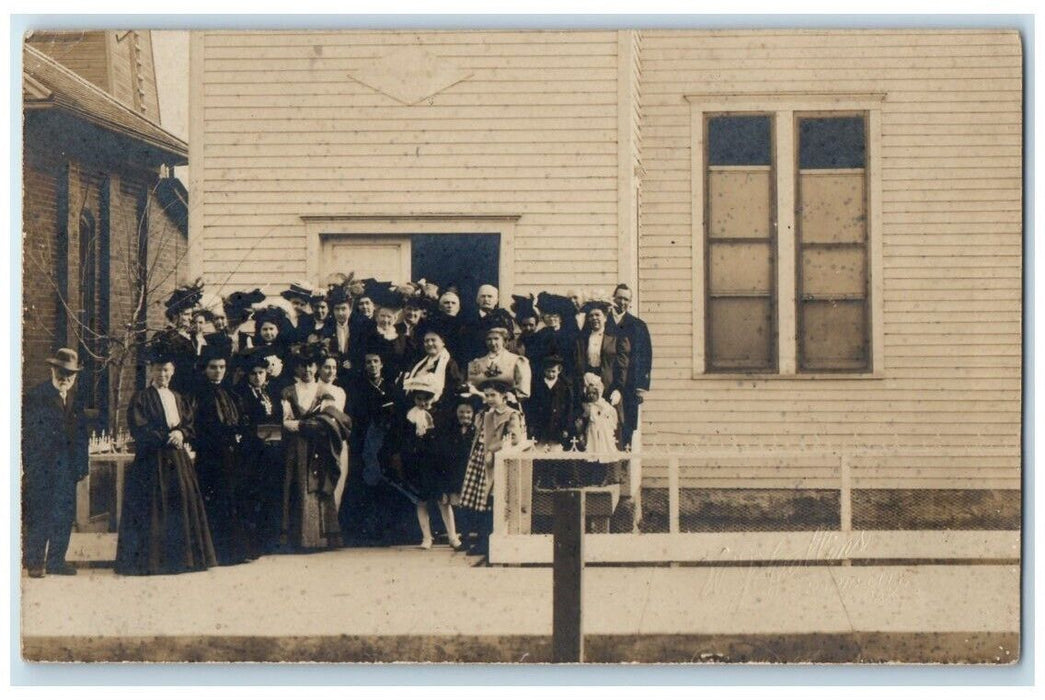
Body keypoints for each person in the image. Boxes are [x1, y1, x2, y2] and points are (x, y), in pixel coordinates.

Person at [115, 344, 216, 576]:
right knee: (154, 505)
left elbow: (189, 423)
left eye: (167, 370)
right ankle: (154, 562)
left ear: (173, 371)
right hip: (152, 459)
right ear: (152, 371)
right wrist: (165, 438)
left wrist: (181, 433)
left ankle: (181, 559)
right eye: (159, 370)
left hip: (177, 459)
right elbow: (140, 426)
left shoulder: (177, 397)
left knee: (180, 503)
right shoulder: (141, 397)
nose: (163, 375)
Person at [22, 348, 90, 578]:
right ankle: (34, 562)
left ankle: (56, 561)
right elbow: (30, 436)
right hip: (42, 468)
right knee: (40, 514)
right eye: (62, 372)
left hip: (68, 469)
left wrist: (81, 466)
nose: (66, 378)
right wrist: (31, 467)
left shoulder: (74, 398)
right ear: (52, 370)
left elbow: (82, 435)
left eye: (71, 374)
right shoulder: (36, 397)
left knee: (63, 514)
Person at [279, 345, 350, 550]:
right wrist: (291, 424)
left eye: (311, 366)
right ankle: (298, 539)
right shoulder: (288, 392)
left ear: (316, 368)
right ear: (296, 369)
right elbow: (285, 420)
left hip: (319, 444)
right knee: (296, 485)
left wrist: (301, 425)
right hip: (295, 447)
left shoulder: (324, 392)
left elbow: (329, 420)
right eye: (303, 366)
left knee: (318, 484)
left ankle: (321, 538)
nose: (307, 370)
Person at [193, 348, 250, 565]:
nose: (218, 371)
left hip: (230, 454)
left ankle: (234, 551)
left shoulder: (229, 392)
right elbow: (198, 426)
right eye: (213, 367)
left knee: (231, 498)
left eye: (222, 367)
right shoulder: (199, 394)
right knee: (214, 500)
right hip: (210, 455)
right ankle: (216, 552)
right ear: (205, 369)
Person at [393, 375, 463, 550]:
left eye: (426, 399)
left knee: (443, 501)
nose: (422, 403)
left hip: (437, 463)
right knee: (421, 501)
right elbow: (405, 439)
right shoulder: (410, 416)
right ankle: (426, 537)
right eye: (418, 399)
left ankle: (452, 536)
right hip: (419, 463)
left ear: (432, 398)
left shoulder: (440, 414)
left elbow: (446, 439)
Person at [458, 379, 525, 558]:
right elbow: (480, 436)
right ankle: (481, 542)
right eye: (487, 395)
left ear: (503, 396)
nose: (489, 399)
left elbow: (514, 438)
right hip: (480, 459)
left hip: (498, 460)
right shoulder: (486, 415)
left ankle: (491, 543)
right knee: (479, 502)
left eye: (493, 395)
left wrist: (493, 450)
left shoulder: (512, 414)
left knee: (492, 501)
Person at [340, 351, 397, 545]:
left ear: (381, 364)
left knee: (386, 486)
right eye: (368, 362)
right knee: (364, 485)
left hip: (386, 445)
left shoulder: (390, 387)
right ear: (364, 366)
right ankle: (365, 532)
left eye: (375, 361)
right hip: (364, 443)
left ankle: (387, 532)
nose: (372, 365)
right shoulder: (358, 389)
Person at [235, 348, 285, 556]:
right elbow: (243, 422)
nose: (257, 377)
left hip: (272, 450)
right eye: (254, 373)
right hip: (251, 452)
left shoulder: (271, 393)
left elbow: (278, 419)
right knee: (252, 496)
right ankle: (252, 543)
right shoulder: (241, 395)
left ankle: (269, 541)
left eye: (261, 373)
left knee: (270, 494)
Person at [607, 283, 652, 449]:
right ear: (613, 298)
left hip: (629, 386)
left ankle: (623, 472)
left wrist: (640, 387)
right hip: (607, 383)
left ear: (630, 302)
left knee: (626, 430)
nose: (622, 302)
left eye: (626, 299)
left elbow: (645, 358)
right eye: (619, 298)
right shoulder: (603, 321)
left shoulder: (638, 326)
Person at [573, 300, 629, 416]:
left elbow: (622, 366)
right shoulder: (583, 339)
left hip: (609, 385)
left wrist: (618, 389)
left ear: (605, 318)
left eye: (597, 315)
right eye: (591, 316)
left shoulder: (616, 338)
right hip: (588, 384)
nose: (594, 318)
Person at [399, 327, 465, 422]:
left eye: (433, 340)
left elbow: (453, 389)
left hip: (438, 411)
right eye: (426, 341)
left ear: (442, 342)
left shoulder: (449, 364)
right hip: (416, 407)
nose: (429, 344)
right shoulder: (420, 363)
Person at [154, 280, 204, 395]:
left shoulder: (191, 336)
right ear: (175, 315)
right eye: (186, 314)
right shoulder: (166, 336)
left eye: (191, 314)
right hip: (175, 387)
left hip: (191, 386)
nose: (190, 318)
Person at [316, 352, 349, 511]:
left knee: (339, 479)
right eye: (327, 367)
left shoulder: (340, 391)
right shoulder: (314, 389)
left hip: (339, 440)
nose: (331, 371)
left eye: (334, 367)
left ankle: (333, 525)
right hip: (320, 441)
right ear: (318, 369)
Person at [466, 326, 532, 401]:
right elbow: (472, 386)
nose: (492, 343)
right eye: (489, 339)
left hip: (508, 404)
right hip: (482, 404)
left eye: (496, 339)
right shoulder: (476, 363)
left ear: (504, 341)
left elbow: (523, 390)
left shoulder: (517, 361)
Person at [524, 354, 574, 449]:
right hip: (541, 427)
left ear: (559, 370)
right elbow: (531, 406)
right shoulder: (537, 386)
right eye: (548, 371)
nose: (551, 374)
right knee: (538, 453)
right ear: (544, 370)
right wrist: (532, 424)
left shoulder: (564, 387)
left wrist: (566, 427)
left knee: (555, 453)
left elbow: (569, 408)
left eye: (553, 371)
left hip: (557, 428)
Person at [280, 281, 317, 345]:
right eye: (295, 303)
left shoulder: (309, 320)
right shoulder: (280, 317)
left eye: (302, 305)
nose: (298, 307)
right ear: (288, 301)